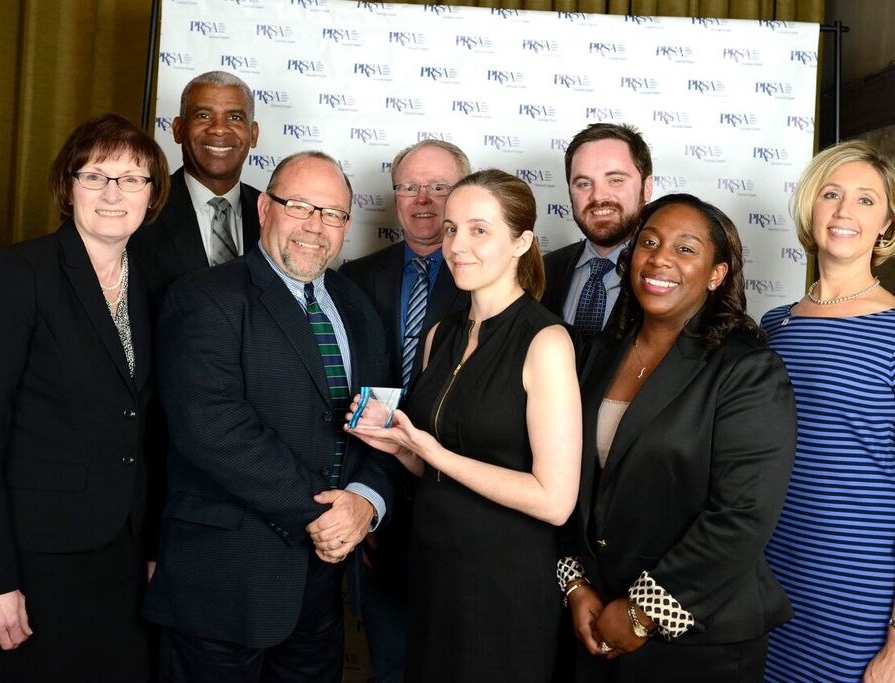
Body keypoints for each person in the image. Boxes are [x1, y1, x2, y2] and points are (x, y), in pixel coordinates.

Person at [142, 151, 396, 683]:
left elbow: (384, 423)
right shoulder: (205, 298)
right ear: (263, 209)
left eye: (332, 214)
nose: (315, 226)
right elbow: (211, 427)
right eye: (300, 206)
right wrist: (325, 512)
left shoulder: (358, 308)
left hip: (322, 588)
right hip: (224, 582)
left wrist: (366, 504)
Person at [346, 169, 581, 682]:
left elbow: (555, 499)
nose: (457, 245)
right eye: (452, 229)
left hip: (503, 581)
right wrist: (399, 445)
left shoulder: (546, 342)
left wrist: (433, 453)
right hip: (432, 571)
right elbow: (431, 463)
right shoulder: (439, 335)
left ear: (522, 242)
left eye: (479, 230)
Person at [0, 113, 170, 681]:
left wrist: (154, 544)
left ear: (151, 195)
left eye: (132, 179)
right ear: (67, 185)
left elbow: (150, 428)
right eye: (95, 176)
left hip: (122, 557)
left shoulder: (152, 285)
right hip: (33, 557)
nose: (113, 193)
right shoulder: (18, 274)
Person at [558, 194, 796, 682]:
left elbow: (743, 514)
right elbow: (566, 479)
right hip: (594, 622)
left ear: (716, 274)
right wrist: (576, 585)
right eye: (649, 242)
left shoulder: (746, 368)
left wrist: (642, 613)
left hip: (699, 639)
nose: (660, 258)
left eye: (686, 249)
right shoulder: (595, 356)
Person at [761, 140, 895, 683]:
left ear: (888, 222)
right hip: (766, 588)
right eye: (831, 194)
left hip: (857, 609)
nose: (845, 211)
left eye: (866, 200)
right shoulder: (774, 327)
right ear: (811, 208)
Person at [338, 140, 472, 682]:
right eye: (409, 187)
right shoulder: (353, 277)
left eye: (439, 187)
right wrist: (366, 505)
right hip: (380, 514)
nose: (424, 200)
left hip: (463, 513)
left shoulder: (491, 283)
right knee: (392, 664)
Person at [128, 70, 261, 311]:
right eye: (203, 115)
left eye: (234, 118)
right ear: (178, 129)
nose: (219, 129)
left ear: (253, 134)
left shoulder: (273, 214)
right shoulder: (140, 207)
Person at [541, 123, 653, 336]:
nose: (599, 196)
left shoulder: (665, 276)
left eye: (615, 180)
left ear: (646, 188)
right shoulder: (544, 272)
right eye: (584, 184)